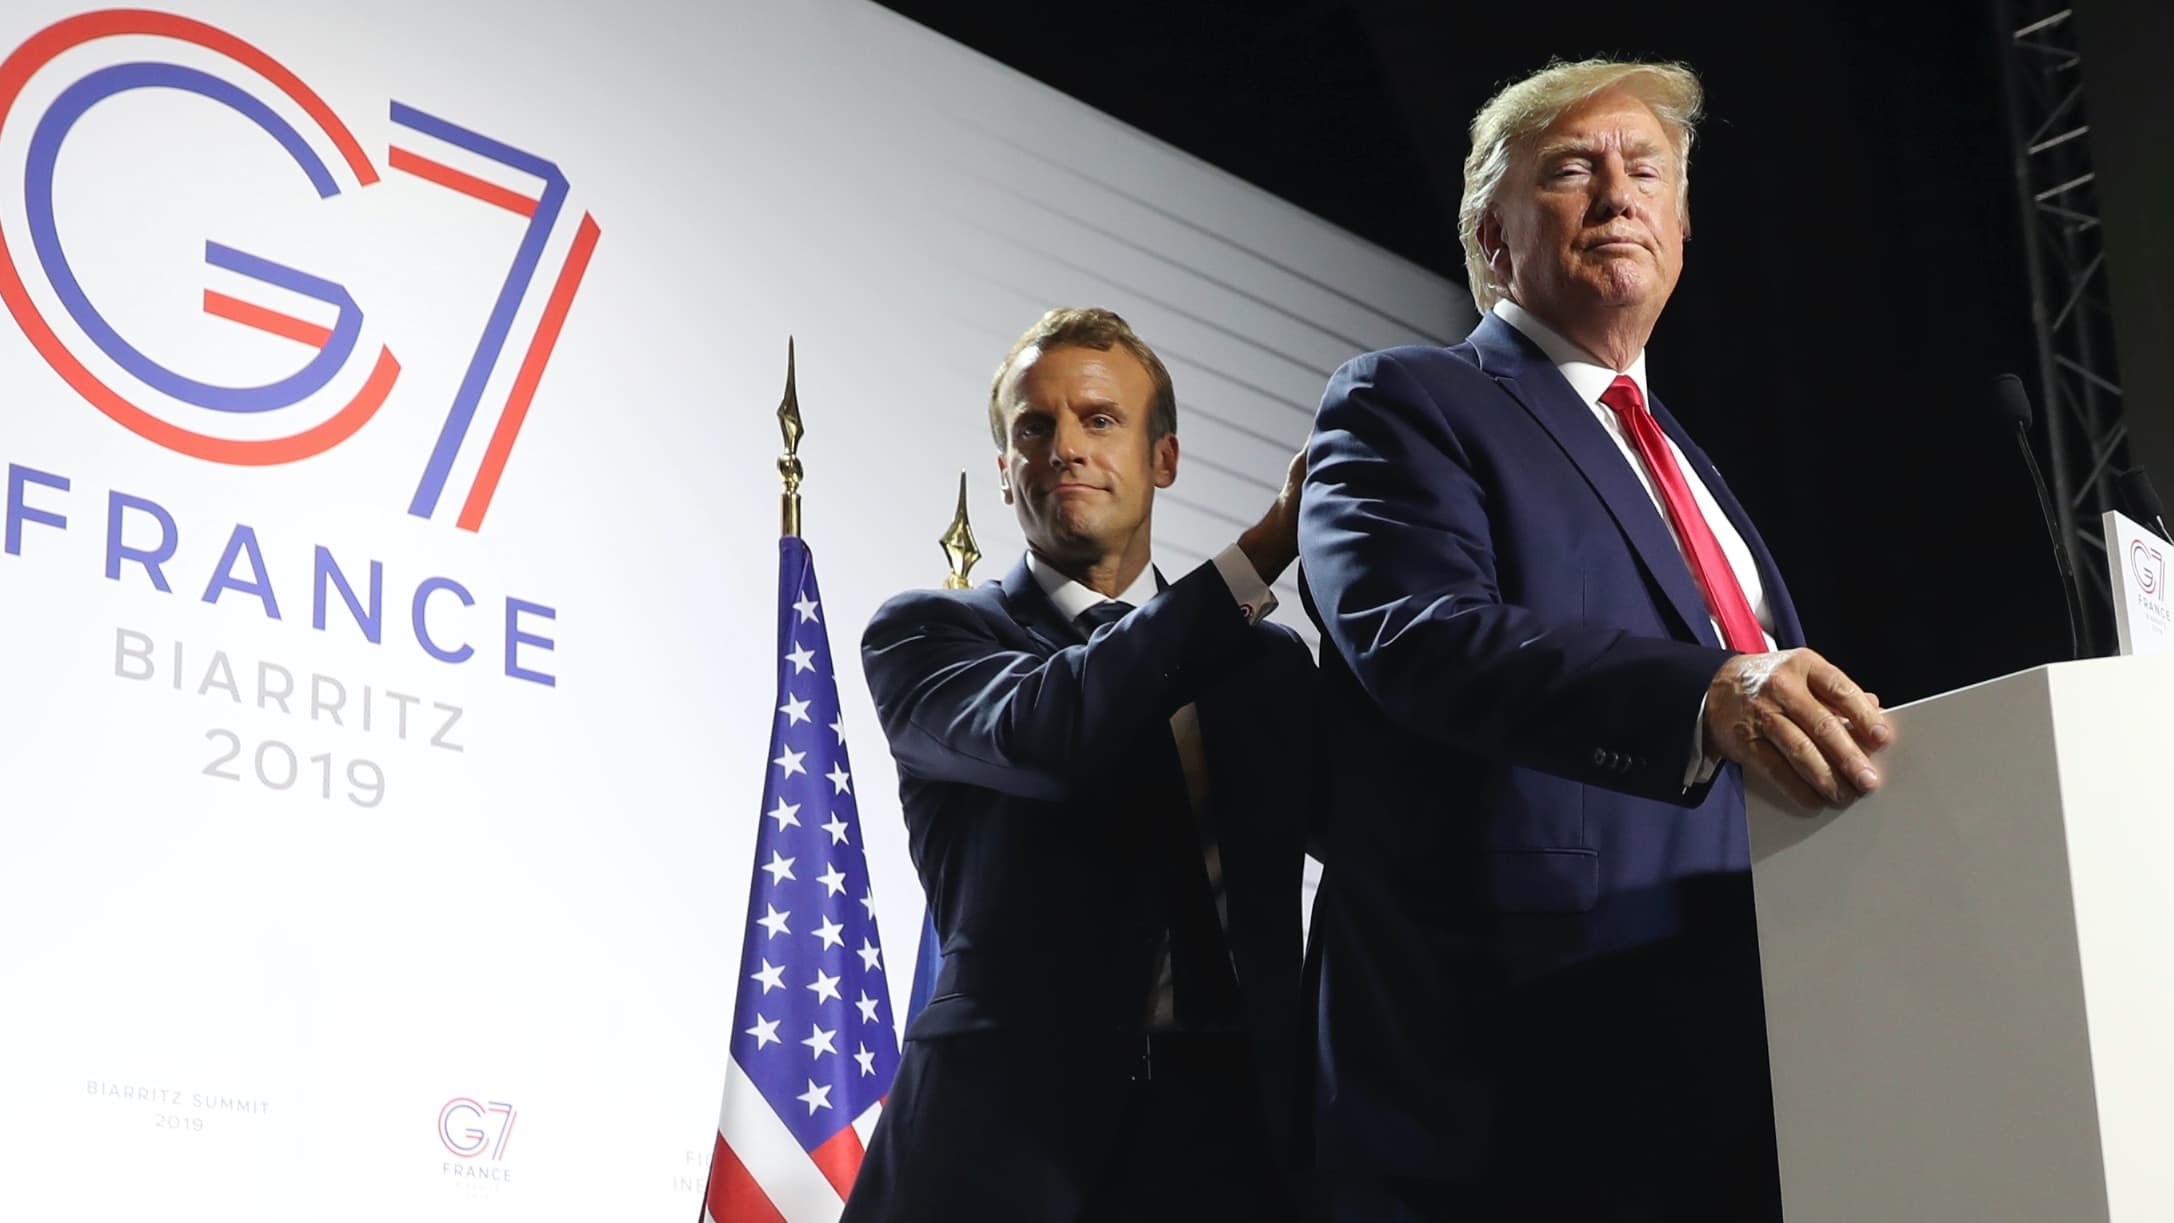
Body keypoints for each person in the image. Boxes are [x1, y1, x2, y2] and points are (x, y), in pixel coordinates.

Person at [1298, 59, 1894, 1221]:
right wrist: (1707, 691)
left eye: (1647, 170)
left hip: (1732, 1038)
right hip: (1508, 1059)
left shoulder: (1692, 465)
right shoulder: (1403, 401)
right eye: (1571, 170)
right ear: (1491, 233)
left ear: (1679, 223)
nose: (1617, 195)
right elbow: (1416, 633)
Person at [844, 307, 1315, 1223]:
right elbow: (1057, 726)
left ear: (1164, 458)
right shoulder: (931, 635)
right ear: (1006, 469)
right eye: (1035, 426)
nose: (1065, 446)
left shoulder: (1266, 666)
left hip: (1236, 1142)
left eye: (1099, 419)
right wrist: (1267, 547)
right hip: (998, 1149)